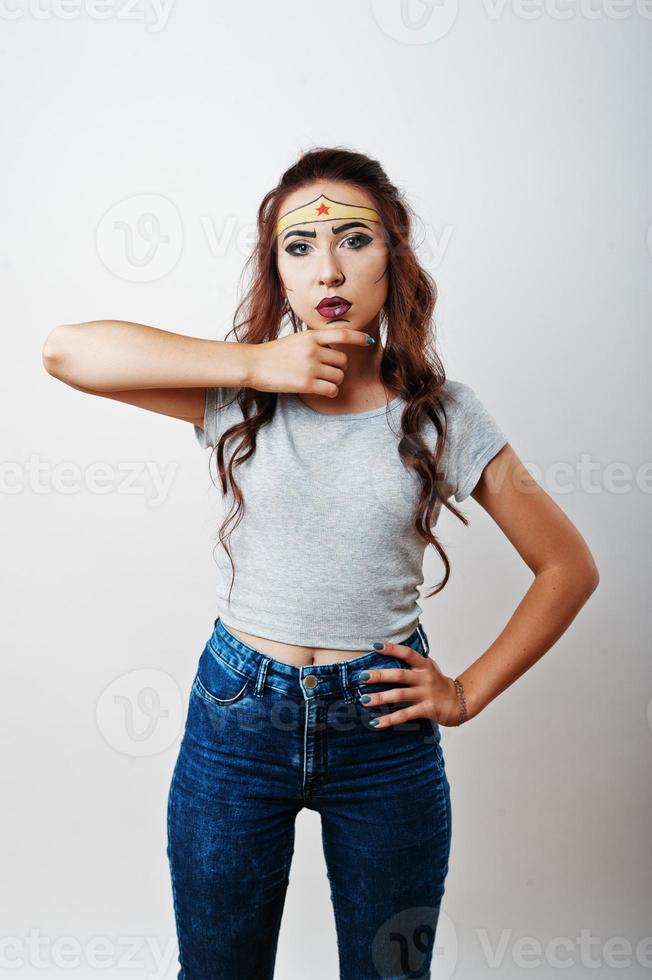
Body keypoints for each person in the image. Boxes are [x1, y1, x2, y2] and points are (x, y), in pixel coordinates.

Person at [42, 147, 600, 980]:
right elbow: (65, 351)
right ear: (278, 272)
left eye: (354, 240)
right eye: (298, 247)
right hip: (238, 718)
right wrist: (255, 362)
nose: (328, 266)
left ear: (395, 257)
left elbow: (567, 566)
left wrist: (463, 691)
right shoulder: (240, 389)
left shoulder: (443, 413)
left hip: (383, 732)